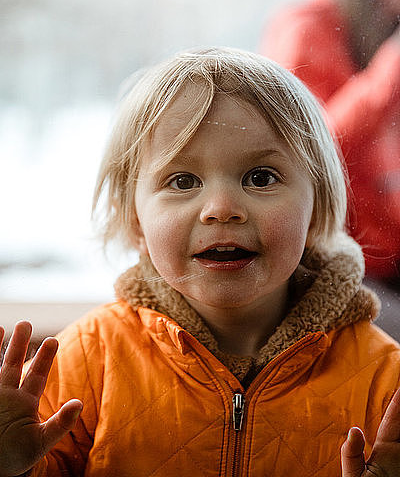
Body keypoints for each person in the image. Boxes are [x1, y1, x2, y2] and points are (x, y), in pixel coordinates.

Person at [0, 47, 400, 476]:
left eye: (260, 178)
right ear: (136, 219)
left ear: (317, 207)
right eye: (183, 180)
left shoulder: (385, 381)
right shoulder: (85, 361)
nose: (222, 208)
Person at [259, 0, 400, 283]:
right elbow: (307, 149)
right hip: (331, 260)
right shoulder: (304, 29)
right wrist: (391, 69)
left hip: (388, 254)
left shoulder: (383, 33)